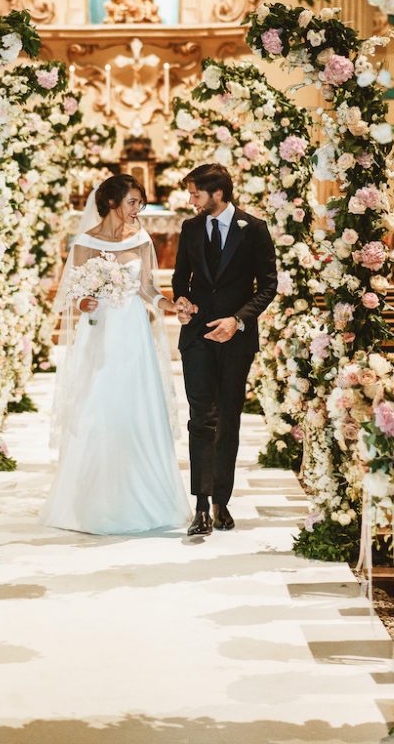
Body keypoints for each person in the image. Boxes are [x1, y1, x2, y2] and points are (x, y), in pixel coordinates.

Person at [41, 174, 190, 535]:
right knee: (100, 407)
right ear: (111, 202)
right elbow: (71, 294)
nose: (138, 209)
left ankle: (148, 496)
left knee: (138, 407)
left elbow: (147, 289)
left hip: (134, 333)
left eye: (140, 202)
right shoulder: (85, 241)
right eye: (133, 202)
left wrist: (170, 305)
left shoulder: (140, 237)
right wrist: (83, 301)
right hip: (101, 333)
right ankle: (96, 502)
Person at [173, 164, 278, 537]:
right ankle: (200, 506)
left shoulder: (255, 229)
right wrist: (182, 302)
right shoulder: (190, 228)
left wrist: (238, 319)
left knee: (228, 417)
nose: (191, 201)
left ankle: (222, 500)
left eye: (195, 194)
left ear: (217, 193)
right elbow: (179, 280)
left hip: (236, 337)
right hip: (198, 336)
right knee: (201, 417)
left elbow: (268, 286)